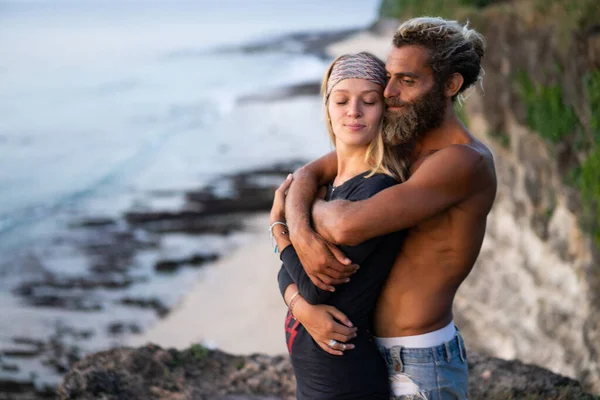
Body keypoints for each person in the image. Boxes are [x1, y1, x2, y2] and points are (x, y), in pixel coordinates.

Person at [280, 17, 497, 399]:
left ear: (450, 85)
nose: (390, 92)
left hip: (420, 359)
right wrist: (296, 230)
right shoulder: (403, 143)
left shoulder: (463, 162)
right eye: (390, 77)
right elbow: (307, 173)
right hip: (369, 348)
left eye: (407, 81)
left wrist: (292, 219)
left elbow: (344, 225)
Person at [269, 52, 409, 399]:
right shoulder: (330, 187)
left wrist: (278, 227)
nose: (353, 111)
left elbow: (315, 288)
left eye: (369, 101)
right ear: (328, 107)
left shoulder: (376, 189)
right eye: (342, 100)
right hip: (316, 378)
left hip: (345, 380)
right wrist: (300, 307)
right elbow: (291, 275)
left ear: (385, 110)